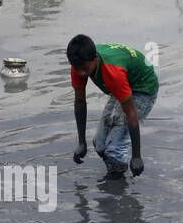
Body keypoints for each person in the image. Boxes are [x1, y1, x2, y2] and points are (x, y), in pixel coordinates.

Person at [66, 36, 159, 180]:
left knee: (114, 150)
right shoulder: (78, 66)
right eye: (78, 69)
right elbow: (79, 102)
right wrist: (81, 142)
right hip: (122, 84)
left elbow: (131, 114)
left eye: (85, 69)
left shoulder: (113, 73)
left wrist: (136, 156)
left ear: (95, 57)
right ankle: (115, 172)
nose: (82, 74)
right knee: (100, 144)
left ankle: (116, 190)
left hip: (142, 88)